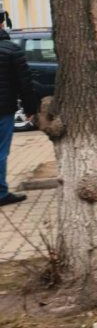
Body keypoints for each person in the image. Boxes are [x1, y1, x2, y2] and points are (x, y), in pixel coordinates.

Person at [0, 27, 39, 206]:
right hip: (4, 110)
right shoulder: (11, 49)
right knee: (1, 152)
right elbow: (25, 82)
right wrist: (30, 109)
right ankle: (1, 193)